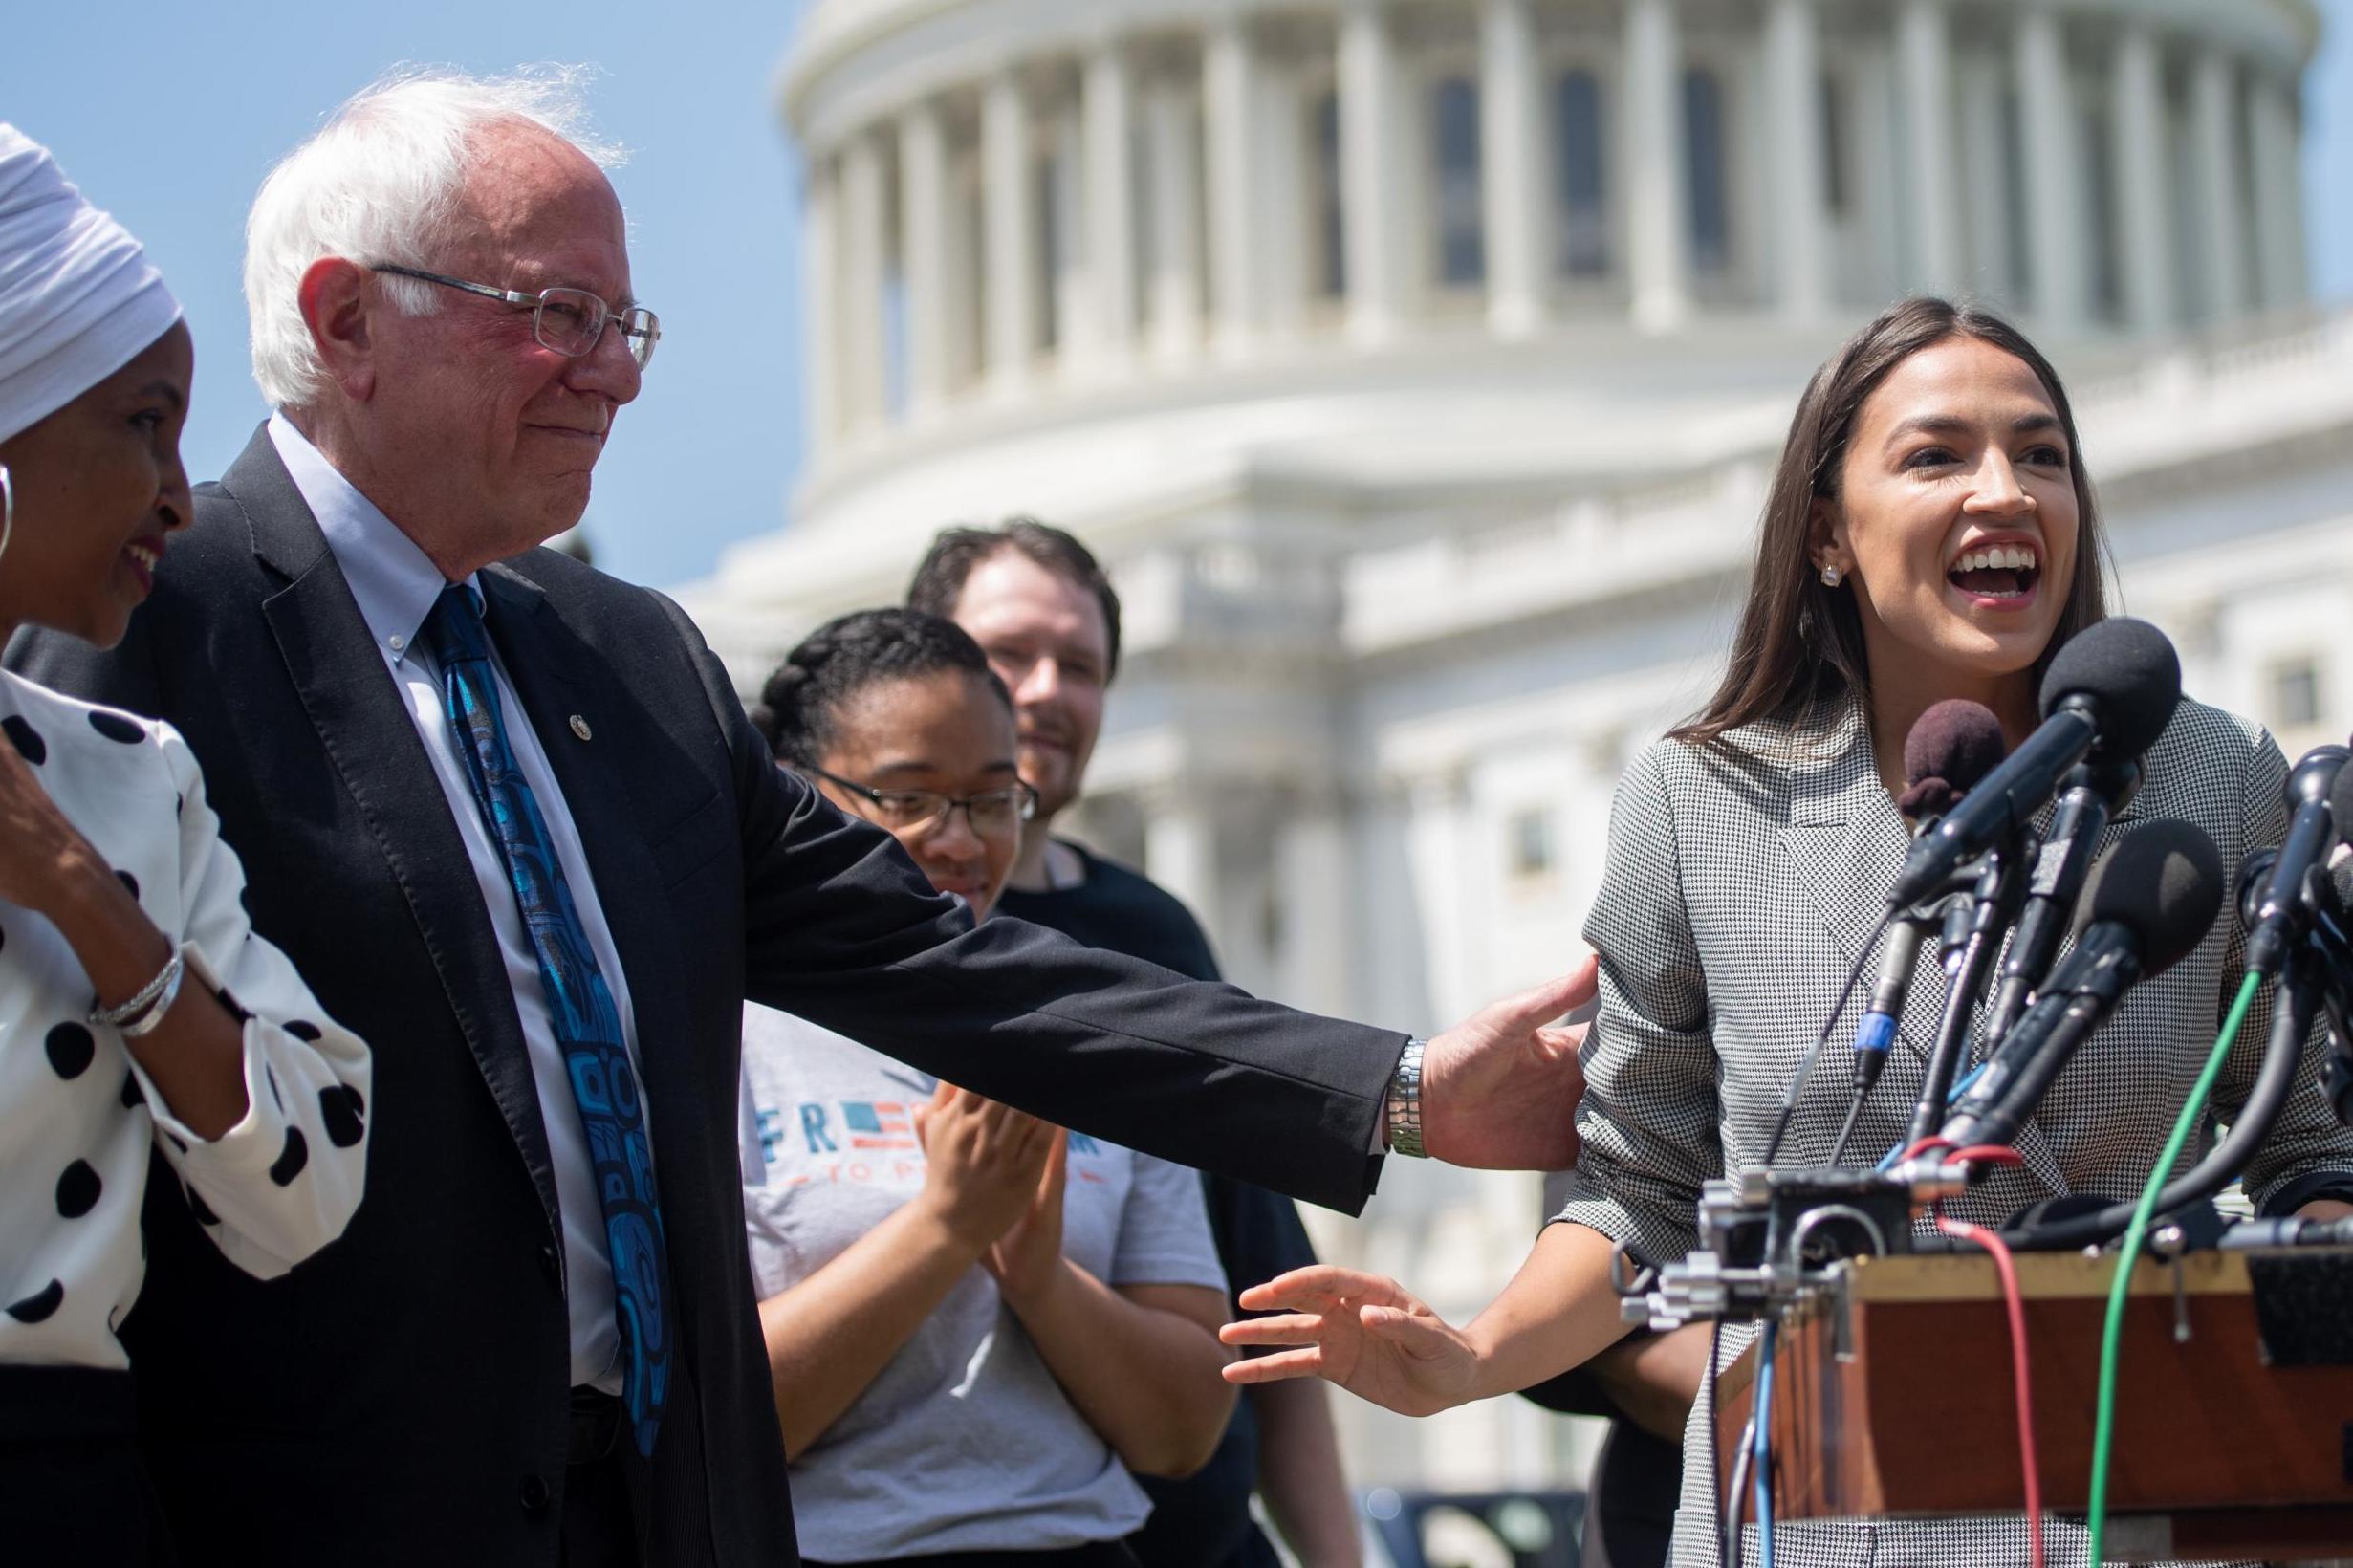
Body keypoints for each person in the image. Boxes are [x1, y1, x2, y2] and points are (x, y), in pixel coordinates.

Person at [10, 71, 1594, 1568]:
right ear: (347, 320)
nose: (617, 372)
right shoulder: (145, 622)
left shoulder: (623, 661)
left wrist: (1397, 1093)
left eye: (626, 323)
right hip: (299, 1518)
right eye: (556, 318)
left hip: (663, 1507)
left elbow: (956, 969)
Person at [1221, 298, 2353, 1567]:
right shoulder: (1699, 802)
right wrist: (1474, 1357)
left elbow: (2301, 1143)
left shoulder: (2212, 777)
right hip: (1821, 1518)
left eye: (2042, 455)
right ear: (1826, 531)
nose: (2007, 491)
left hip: (2148, 1499)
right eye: (1937, 456)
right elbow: (1638, 1191)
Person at [0, 125, 371, 1563]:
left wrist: (82, 898)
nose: (178, 490)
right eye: (141, 423)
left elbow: (307, 1194)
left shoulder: (128, 780)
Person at [909, 520, 1362, 1568]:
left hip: (1198, 1539)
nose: (1046, 690)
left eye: (1082, 666)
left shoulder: (1157, 937)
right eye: (1008, 651)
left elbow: (1269, 1291)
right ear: (916, 658)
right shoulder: (842, 942)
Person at [740, 607, 1234, 1567]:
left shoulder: (1092, 1036)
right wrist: (944, 1227)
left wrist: (1040, 1273)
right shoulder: (722, 1035)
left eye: (991, 797)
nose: (958, 839)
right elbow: (709, 1424)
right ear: (799, 795)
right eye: (911, 797)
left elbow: (1183, 1432)